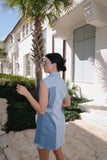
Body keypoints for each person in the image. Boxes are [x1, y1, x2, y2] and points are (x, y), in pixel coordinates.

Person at [16, 53, 70, 160]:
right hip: (59, 124)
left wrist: (26, 93)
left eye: (45, 62)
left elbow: (41, 110)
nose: (43, 65)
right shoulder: (62, 81)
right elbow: (67, 103)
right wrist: (55, 107)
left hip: (48, 125)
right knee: (58, 151)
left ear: (54, 65)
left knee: (43, 155)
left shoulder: (45, 82)